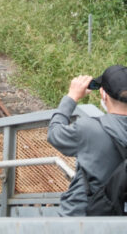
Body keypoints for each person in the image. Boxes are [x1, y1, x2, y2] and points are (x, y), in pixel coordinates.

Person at [47, 65, 127, 215]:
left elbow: (54, 133)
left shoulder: (89, 128)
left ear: (103, 94)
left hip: (82, 217)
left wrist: (72, 96)